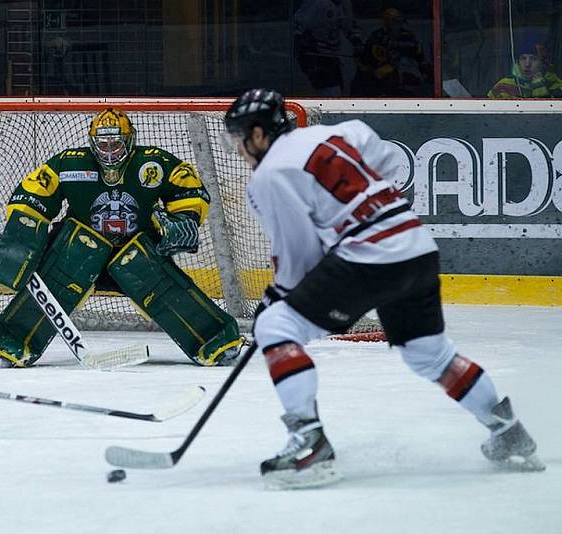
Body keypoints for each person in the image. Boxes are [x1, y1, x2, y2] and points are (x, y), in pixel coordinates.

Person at [222, 88, 544, 489]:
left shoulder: (269, 175)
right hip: (416, 247)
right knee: (429, 355)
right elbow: (388, 164)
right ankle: (508, 431)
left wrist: (276, 296)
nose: (237, 150)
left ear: (257, 134)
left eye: (238, 139)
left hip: (370, 256)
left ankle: (310, 446)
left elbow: (299, 255)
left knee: (276, 327)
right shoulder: (338, 133)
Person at [0, 108, 244, 368]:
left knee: (162, 286)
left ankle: (215, 340)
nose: (110, 151)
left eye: (116, 144)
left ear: (130, 141)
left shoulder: (153, 163)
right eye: (103, 144)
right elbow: (33, 194)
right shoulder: (69, 163)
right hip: (79, 254)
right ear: (92, 142)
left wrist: (185, 219)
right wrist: (22, 237)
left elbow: (188, 189)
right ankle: (13, 340)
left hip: (138, 253)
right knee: (58, 275)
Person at [351, 8, 431, 97]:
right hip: (380, 72)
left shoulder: (408, 35)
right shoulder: (377, 37)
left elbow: (419, 54)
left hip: (403, 70)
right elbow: (370, 59)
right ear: (387, 23)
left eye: (400, 22)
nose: (398, 25)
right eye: (395, 22)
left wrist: (423, 67)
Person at [293, 0, 363, 97]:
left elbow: (349, 26)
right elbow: (299, 25)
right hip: (314, 55)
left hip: (332, 56)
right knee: (331, 91)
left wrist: (357, 44)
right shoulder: (316, 3)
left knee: (337, 90)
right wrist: (302, 43)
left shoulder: (345, 4)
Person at [488, 31, 562, 99]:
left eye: (533, 59)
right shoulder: (503, 86)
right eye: (523, 58)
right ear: (518, 61)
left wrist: (540, 86)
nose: (527, 64)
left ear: (542, 62)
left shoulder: (555, 84)